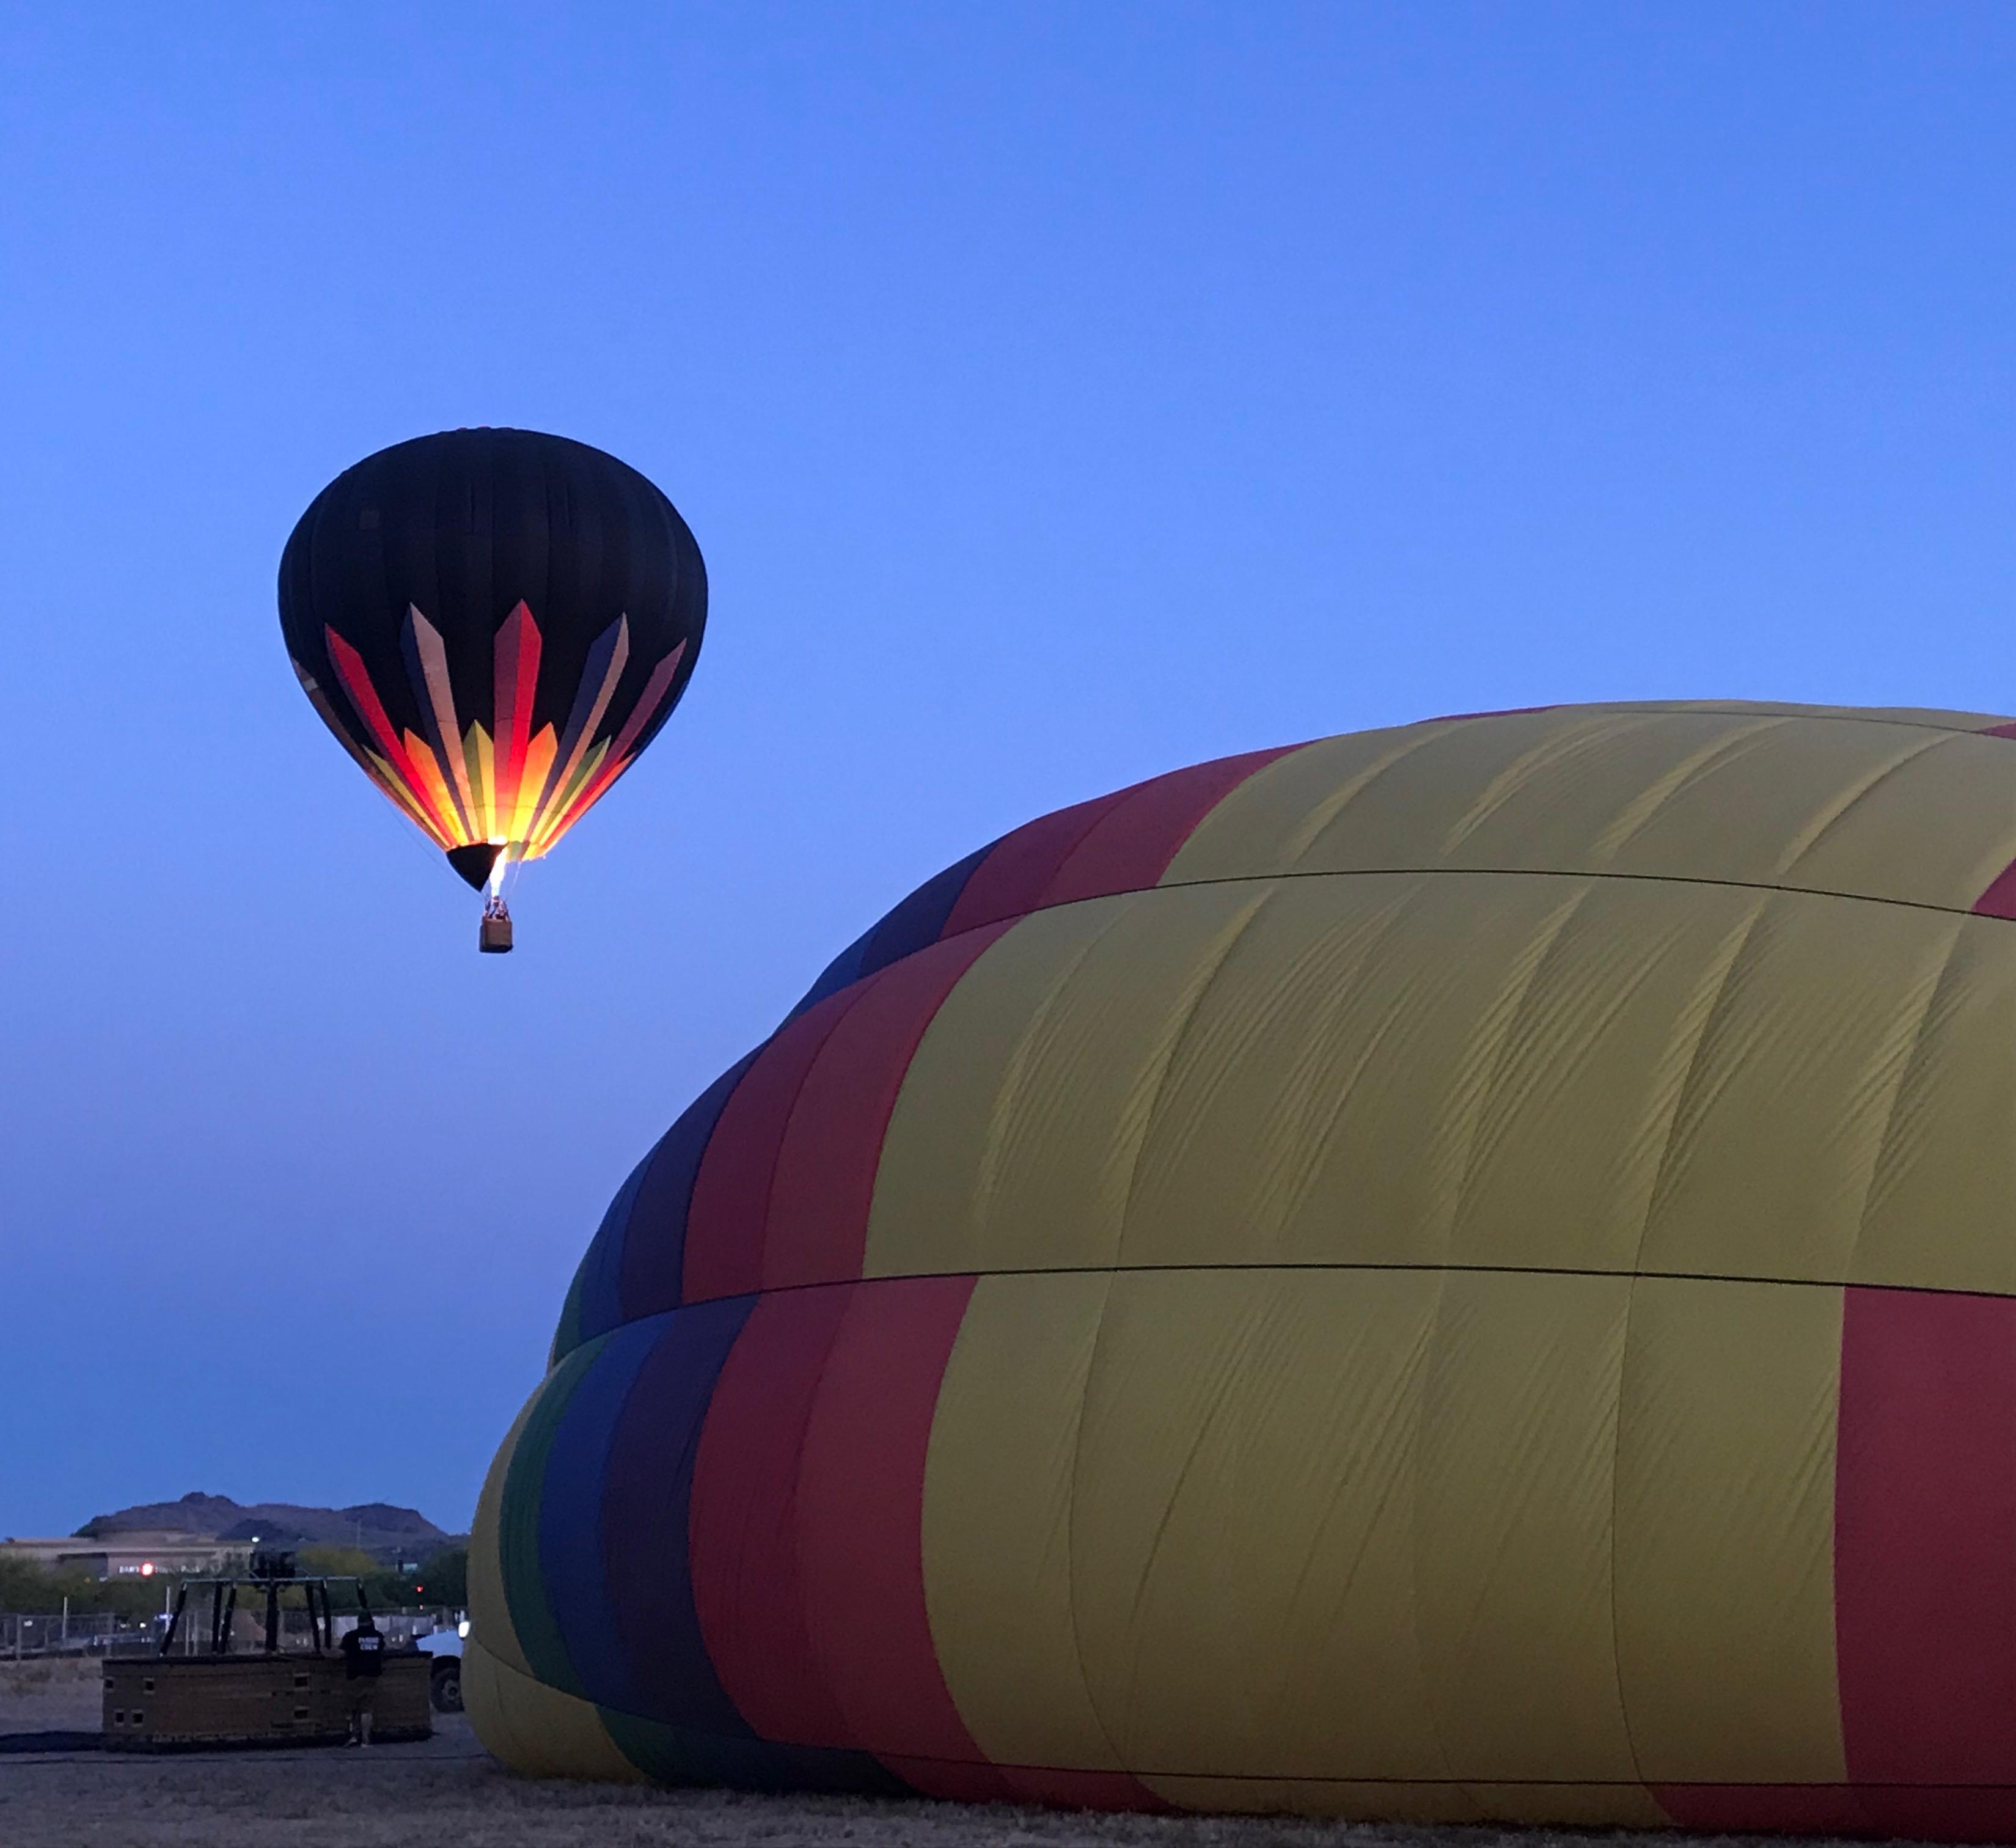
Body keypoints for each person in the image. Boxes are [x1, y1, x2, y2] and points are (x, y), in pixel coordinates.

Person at [339, 1612, 386, 1745]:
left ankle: (354, 1736)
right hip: (372, 1675)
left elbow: (341, 1653)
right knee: (367, 1710)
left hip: (355, 1676)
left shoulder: (351, 1637)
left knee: (353, 1709)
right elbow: (384, 1650)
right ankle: (365, 1739)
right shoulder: (378, 1636)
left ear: (358, 1622)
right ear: (371, 1621)